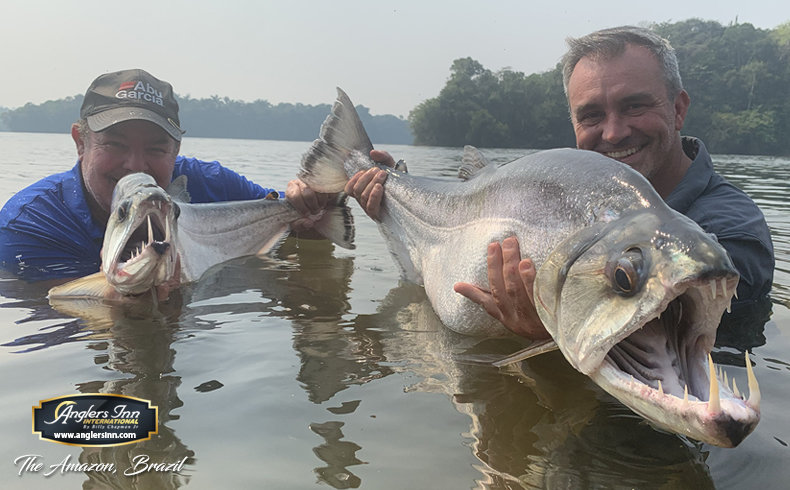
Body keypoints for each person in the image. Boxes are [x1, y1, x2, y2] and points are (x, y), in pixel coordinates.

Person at [345, 26, 775, 339]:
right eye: (591, 115)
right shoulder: (564, 188)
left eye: (635, 106)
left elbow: (705, 328)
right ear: (572, 124)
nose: (613, 132)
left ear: (678, 109)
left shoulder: (734, 230)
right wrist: (390, 185)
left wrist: (555, 327)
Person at [0, 69, 331, 291]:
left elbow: (300, 224)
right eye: (115, 144)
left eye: (156, 148)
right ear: (80, 142)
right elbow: (69, 322)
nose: (135, 165)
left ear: (176, 151)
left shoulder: (210, 183)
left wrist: (321, 207)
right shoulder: (29, 224)